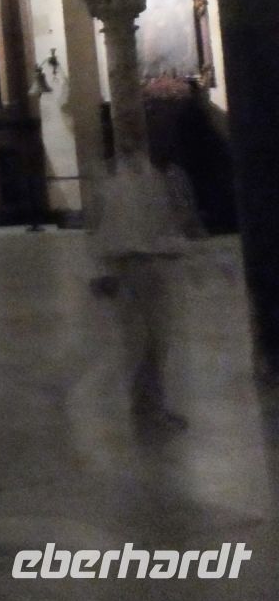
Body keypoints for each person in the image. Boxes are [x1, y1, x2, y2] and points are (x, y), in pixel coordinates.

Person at [89, 149, 197, 430]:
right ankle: (147, 409)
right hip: (134, 265)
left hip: (152, 263)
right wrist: (105, 271)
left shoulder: (158, 175)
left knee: (155, 341)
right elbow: (103, 224)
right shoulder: (117, 176)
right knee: (143, 341)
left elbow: (172, 221)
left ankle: (149, 406)